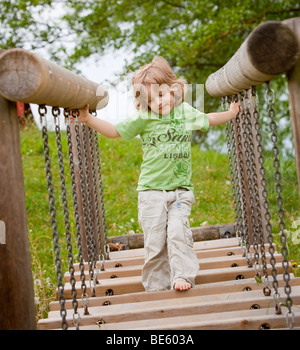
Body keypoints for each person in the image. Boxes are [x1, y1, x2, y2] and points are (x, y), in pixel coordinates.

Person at [73, 56, 240, 292]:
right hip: (151, 191)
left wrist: (230, 114)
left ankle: (182, 275)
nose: (158, 103)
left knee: (178, 232)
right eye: (150, 100)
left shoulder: (185, 112)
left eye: (161, 95)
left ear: (174, 90)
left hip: (180, 191)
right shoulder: (144, 118)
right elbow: (113, 132)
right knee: (154, 241)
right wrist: (88, 118)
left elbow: (208, 119)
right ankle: (156, 286)